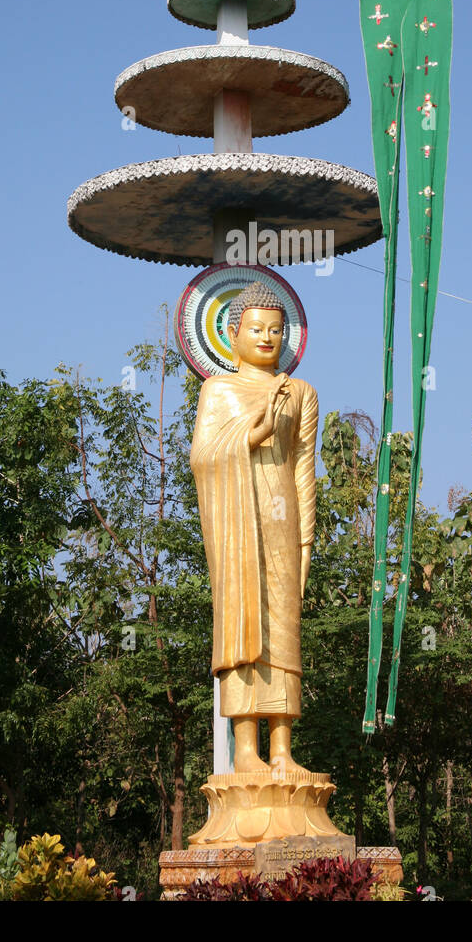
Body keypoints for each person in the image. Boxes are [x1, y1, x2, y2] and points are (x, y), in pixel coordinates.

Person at [190, 281, 318, 773]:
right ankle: (246, 750)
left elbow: (304, 468)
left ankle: (282, 749)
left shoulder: (300, 392)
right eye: (256, 329)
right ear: (231, 333)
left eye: (276, 330)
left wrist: (307, 536)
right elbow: (202, 457)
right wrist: (252, 433)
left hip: (282, 518)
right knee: (242, 622)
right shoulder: (218, 390)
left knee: (283, 627)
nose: (267, 338)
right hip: (236, 519)